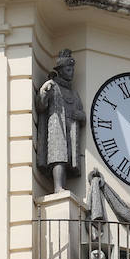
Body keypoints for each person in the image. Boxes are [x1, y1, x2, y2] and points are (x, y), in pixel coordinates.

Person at [35, 49, 85, 192]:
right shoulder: (52, 85)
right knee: (58, 155)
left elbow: (82, 114)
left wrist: (80, 115)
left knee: (67, 157)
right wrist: (44, 92)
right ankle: (58, 187)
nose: (71, 72)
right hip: (57, 127)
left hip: (71, 128)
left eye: (72, 69)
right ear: (61, 71)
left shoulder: (74, 93)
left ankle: (61, 186)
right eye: (68, 69)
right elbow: (41, 105)